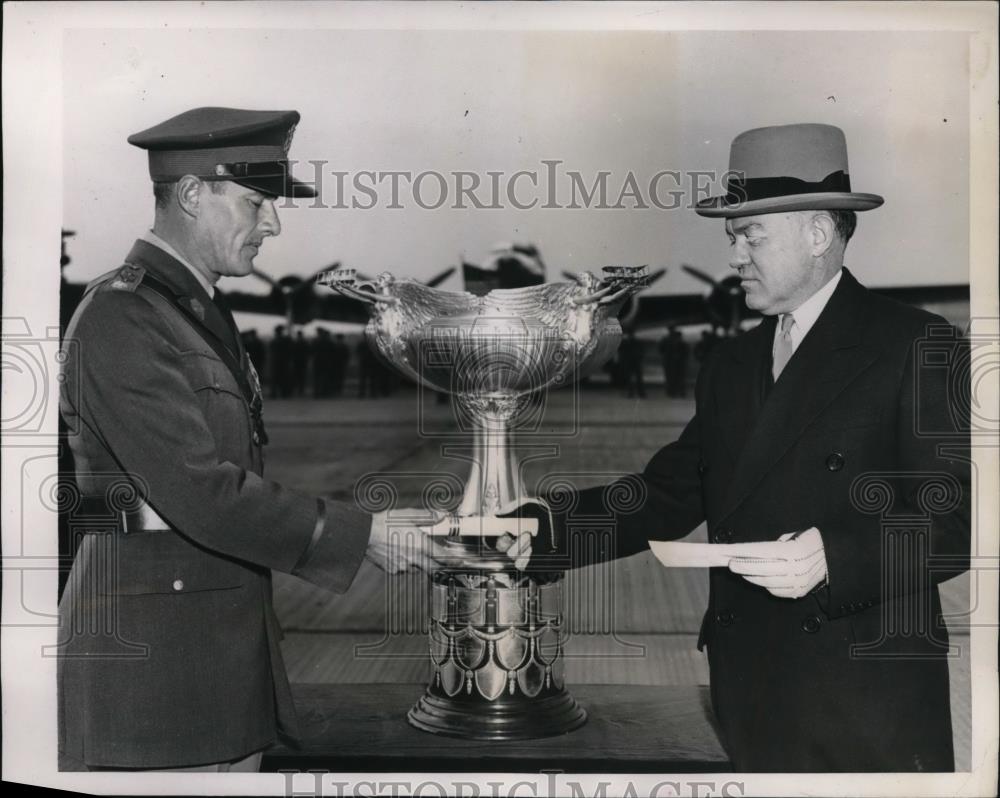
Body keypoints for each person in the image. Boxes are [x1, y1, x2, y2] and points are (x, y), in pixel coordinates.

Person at [57, 106, 528, 772]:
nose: (273, 222)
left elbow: (226, 478)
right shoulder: (123, 317)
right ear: (193, 194)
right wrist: (363, 536)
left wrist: (373, 521)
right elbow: (202, 492)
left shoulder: (189, 311)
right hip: (152, 680)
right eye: (257, 202)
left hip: (213, 663)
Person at [509, 123, 970, 771]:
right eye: (732, 237)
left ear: (816, 233)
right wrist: (541, 531)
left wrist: (835, 555)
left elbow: (955, 521)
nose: (734, 257)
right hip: (748, 692)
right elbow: (668, 494)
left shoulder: (916, 345)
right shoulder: (731, 362)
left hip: (868, 706)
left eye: (751, 234)